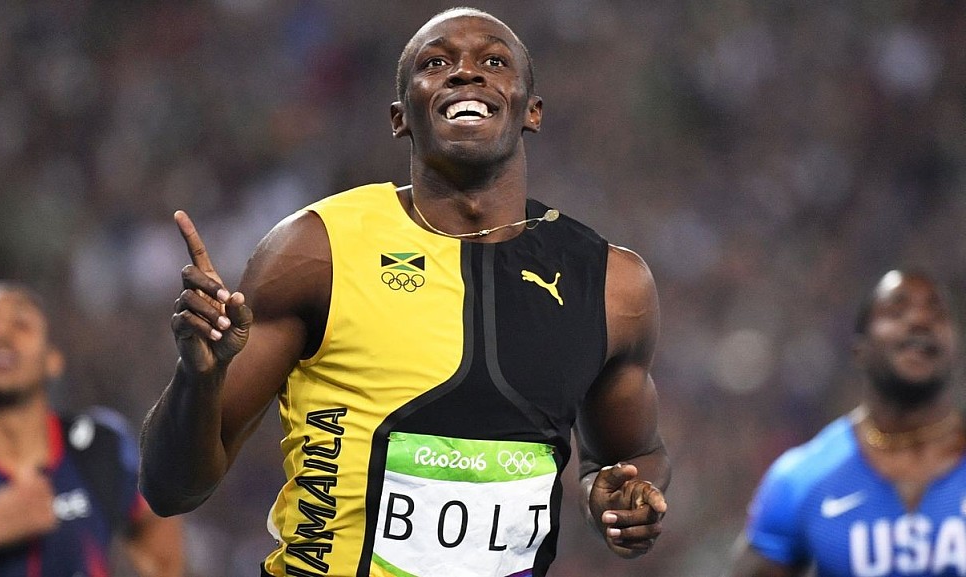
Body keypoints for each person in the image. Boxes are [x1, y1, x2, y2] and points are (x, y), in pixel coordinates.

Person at [139, 7, 670, 577]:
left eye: (494, 61)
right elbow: (170, 490)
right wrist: (199, 377)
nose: (466, 72)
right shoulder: (317, 251)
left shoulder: (611, 285)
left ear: (531, 111)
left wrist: (618, 499)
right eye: (436, 63)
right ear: (400, 117)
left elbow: (633, 456)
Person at [722, 269, 964, 577]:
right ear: (860, 350)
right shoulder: (801, 480)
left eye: (936, 313)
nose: (919, 321)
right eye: (897, 311)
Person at [0, 281, 184, 577]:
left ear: (52, 360)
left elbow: (157, 528)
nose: (2, 335)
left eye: (21, 325)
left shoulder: (101, 444)